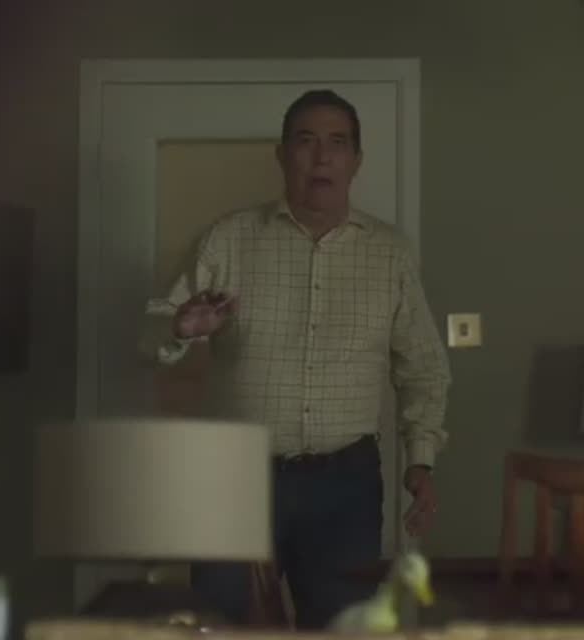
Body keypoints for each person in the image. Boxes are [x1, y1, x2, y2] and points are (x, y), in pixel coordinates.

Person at [141, 89, 452, 628]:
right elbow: (148, 337)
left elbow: (422, 366)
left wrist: (420, 461)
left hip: (345, 488)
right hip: (233, 481)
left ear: (356, 160)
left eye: (337, 143)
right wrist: (178, 327)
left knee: (341, 627)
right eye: (306, 141)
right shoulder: (227, 238)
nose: (322, 156)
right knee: (221, 625)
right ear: (283, 155)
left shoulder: (390, 253)